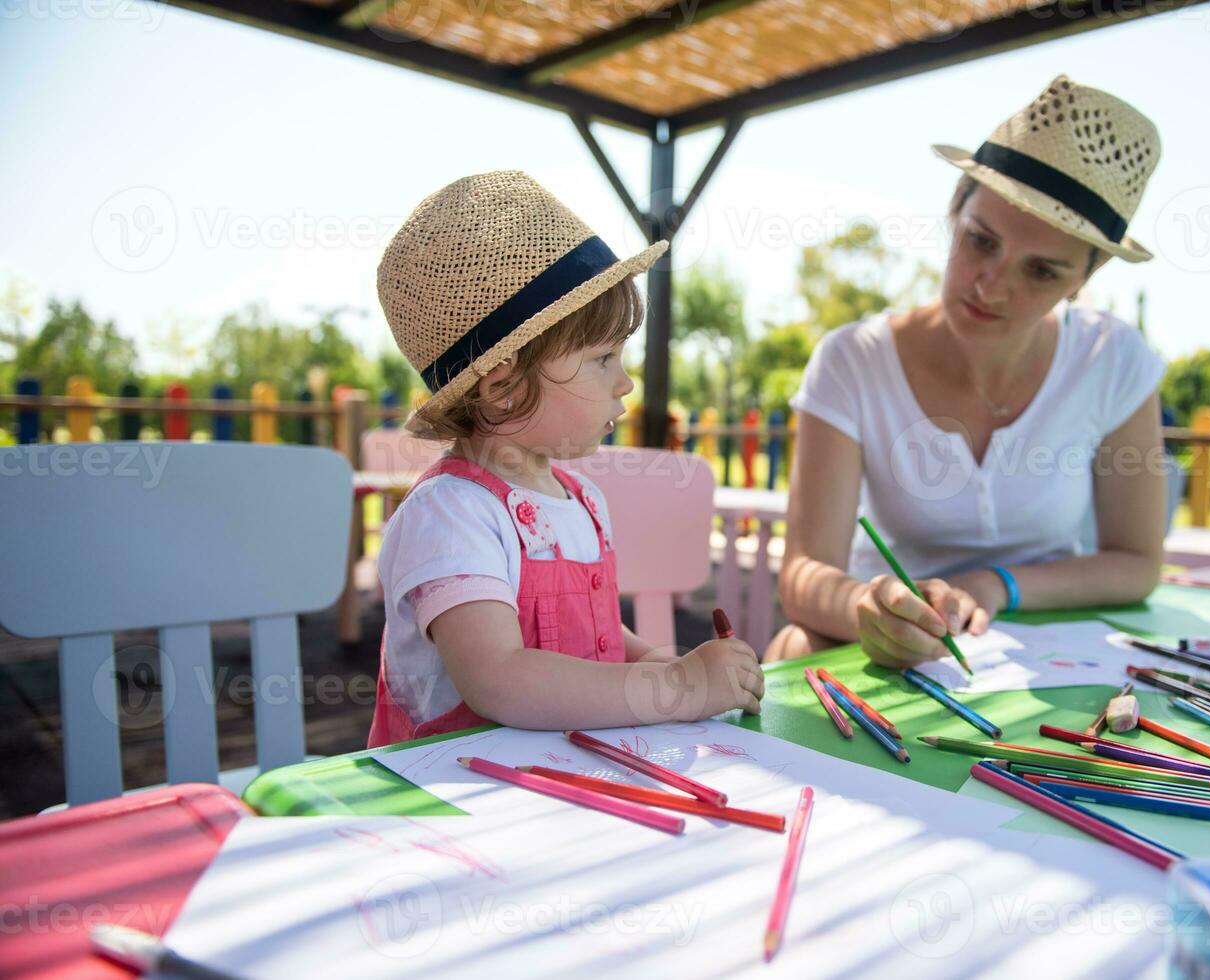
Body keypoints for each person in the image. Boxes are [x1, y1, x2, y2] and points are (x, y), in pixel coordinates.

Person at [769, 75, 1169, 668]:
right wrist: (867, 605)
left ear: (1085, 279)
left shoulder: (1114, 360)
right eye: (980, 242)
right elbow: (803, 573)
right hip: (882, 646)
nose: (991, 285)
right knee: (793, 650)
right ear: (955, 211)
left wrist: (996, 584)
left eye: (1041, 272)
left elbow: (1137, 563)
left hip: (1055, 657)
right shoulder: (853, 359)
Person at [368, 171, 763, 747]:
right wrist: (678, 687)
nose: (626, 383)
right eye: (603, 358)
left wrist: (655, 660)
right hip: (452, 798)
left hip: (559, 780)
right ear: (502, 386)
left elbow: (596, 635)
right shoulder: (451, 515)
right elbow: (500, 679)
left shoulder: (581, 499)